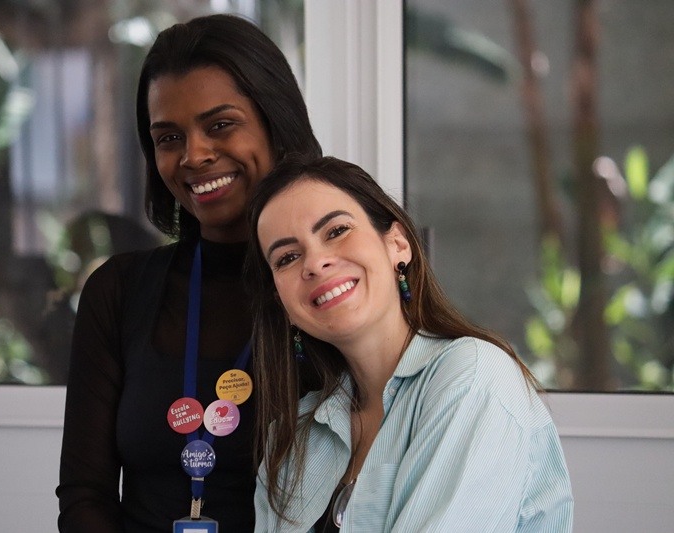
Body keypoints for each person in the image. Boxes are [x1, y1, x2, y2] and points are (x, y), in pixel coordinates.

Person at [56, 14, 321, 533]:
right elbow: (85, 495)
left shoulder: (329, 289)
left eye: (220, 125)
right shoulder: (118, 291)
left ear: (276, 122)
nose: (193, 155)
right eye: (168, 137)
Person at [245, 155, 573, 532]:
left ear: (398, 244)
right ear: (282, 303)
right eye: (287, 257)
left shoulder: (473, 376)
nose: (315, 263)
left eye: (336, 231)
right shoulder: (293, 437)